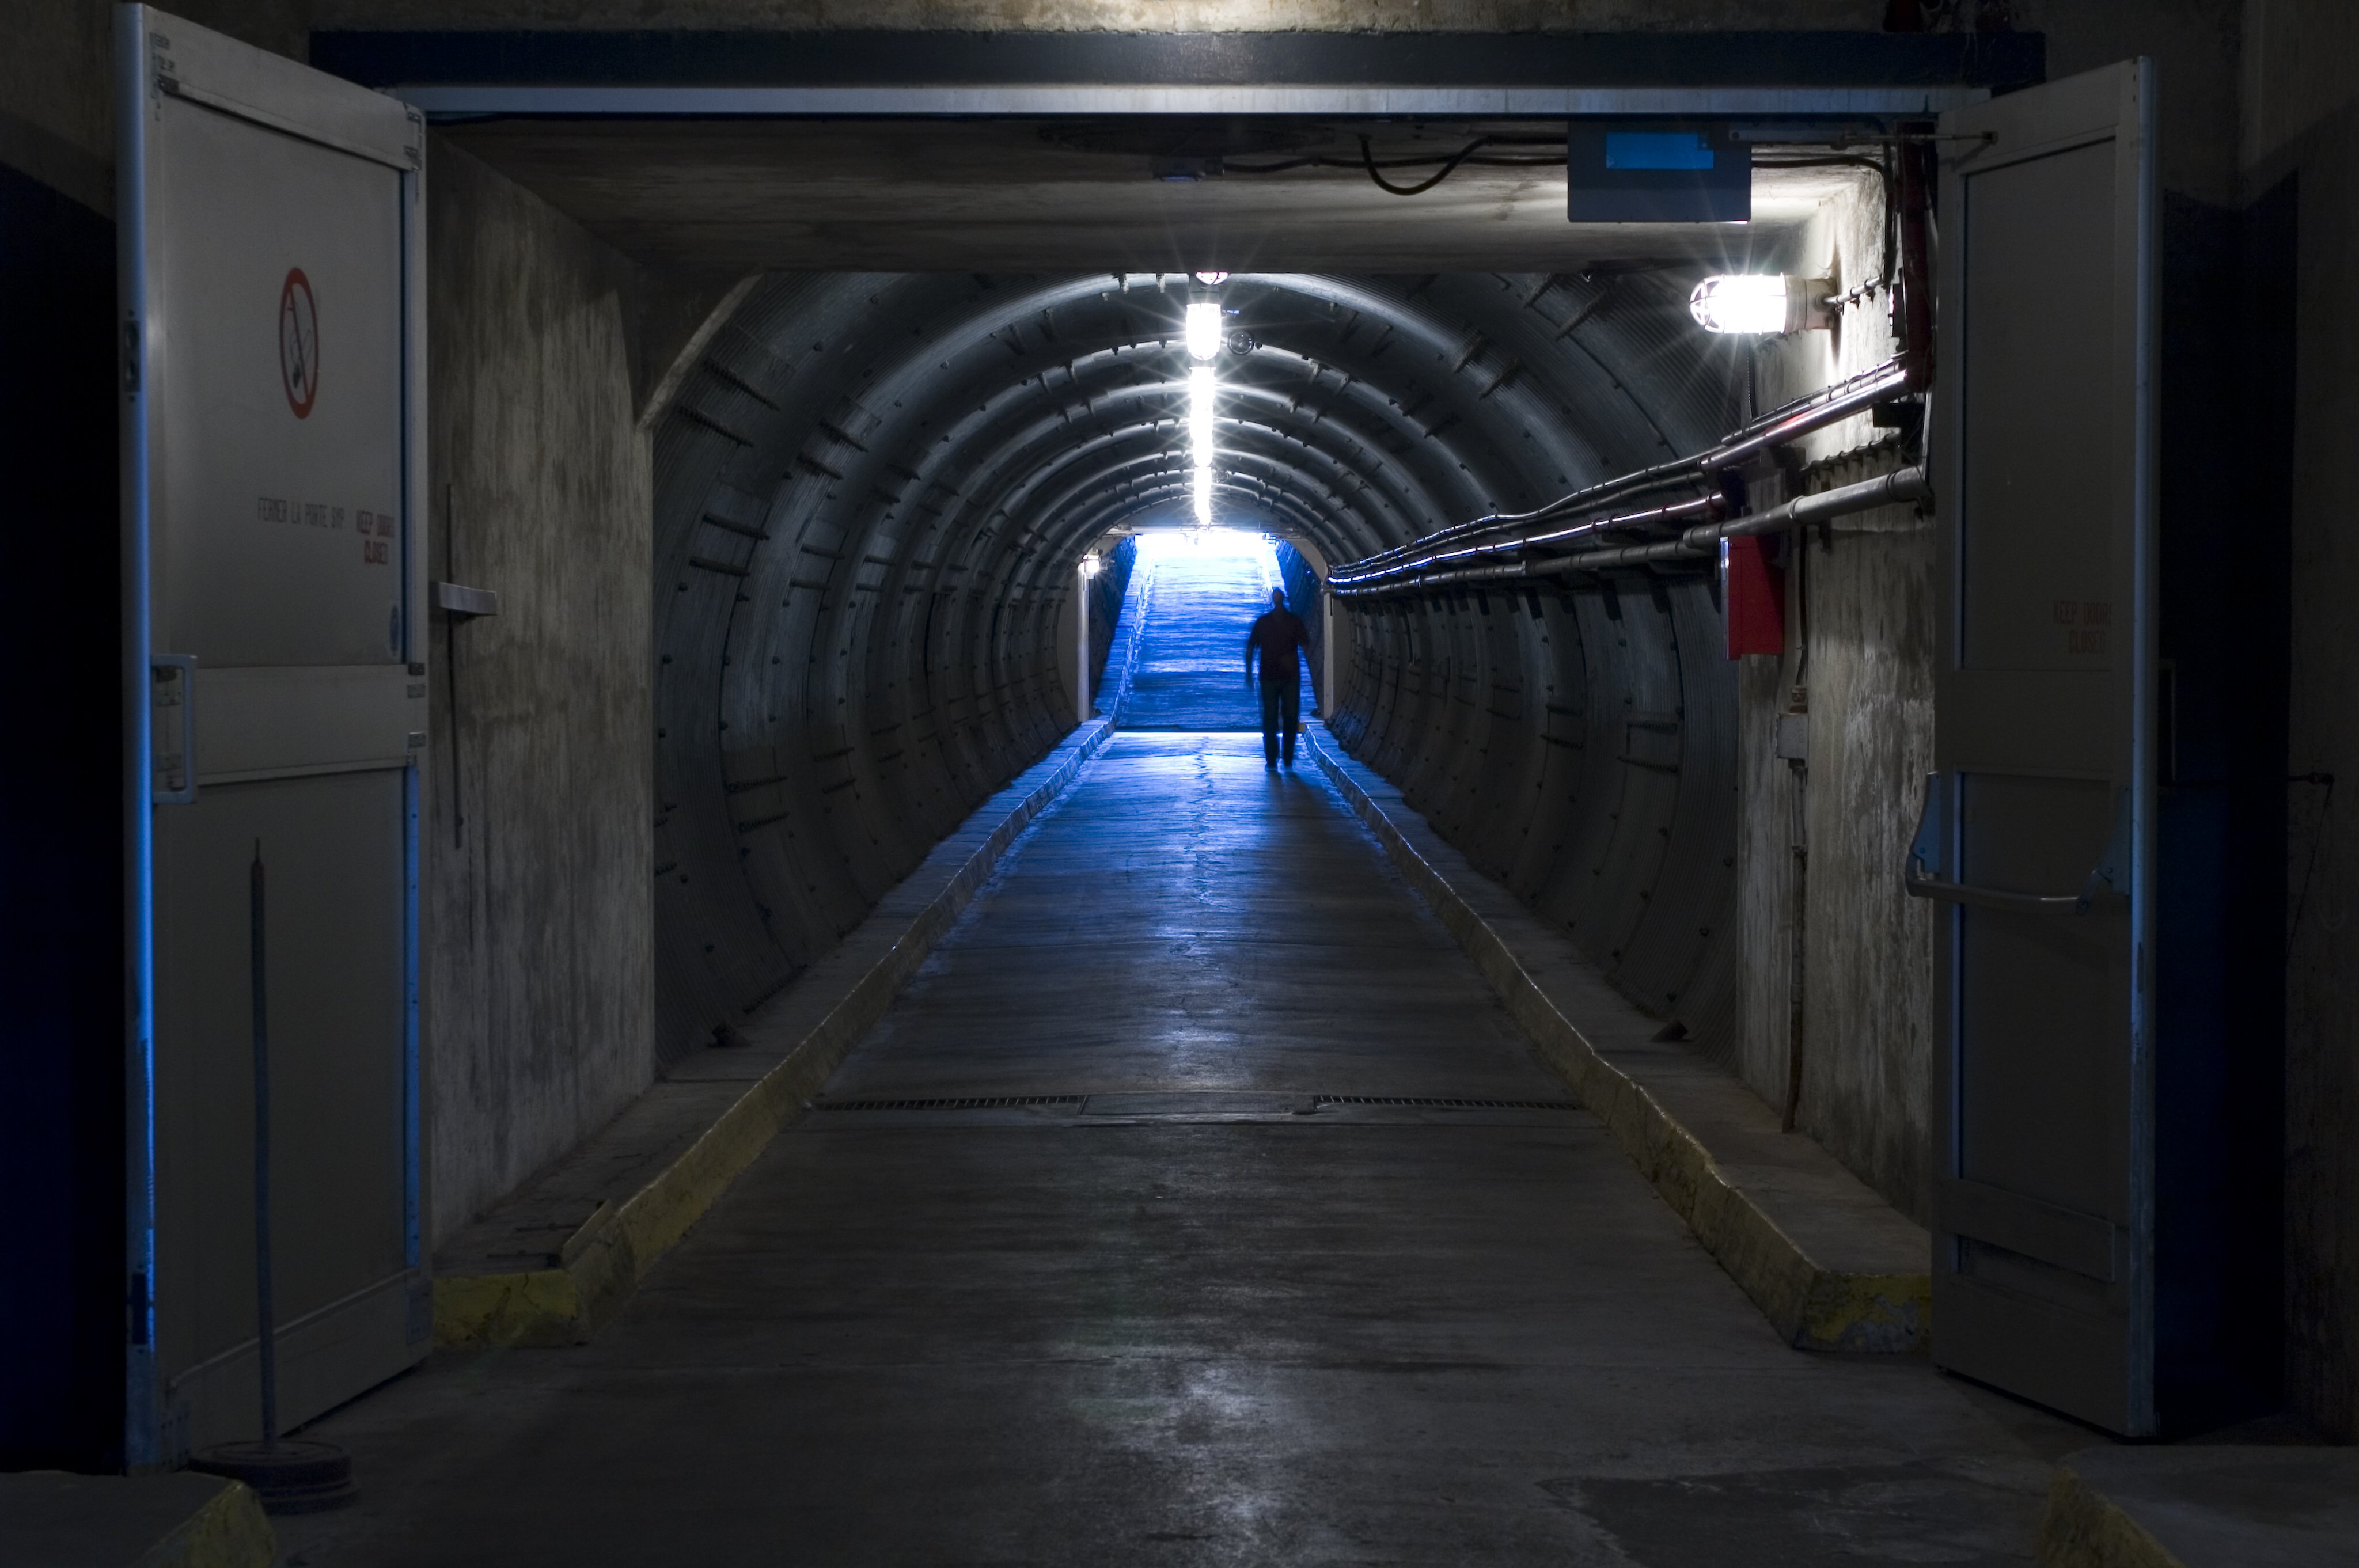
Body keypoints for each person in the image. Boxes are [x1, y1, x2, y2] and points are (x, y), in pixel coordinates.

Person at [1245, 586, 1314, 769]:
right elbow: (1306, 646)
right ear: (1282, 599)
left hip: (1269, 676)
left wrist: (1248, 673)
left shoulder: (1264, 622)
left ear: (1274, 600)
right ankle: (1288, 757)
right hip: (1290, 677)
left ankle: (1272, 758)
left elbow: (1251, 647)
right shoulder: (1294, 621)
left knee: (1270, 717)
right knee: (1290, 717)